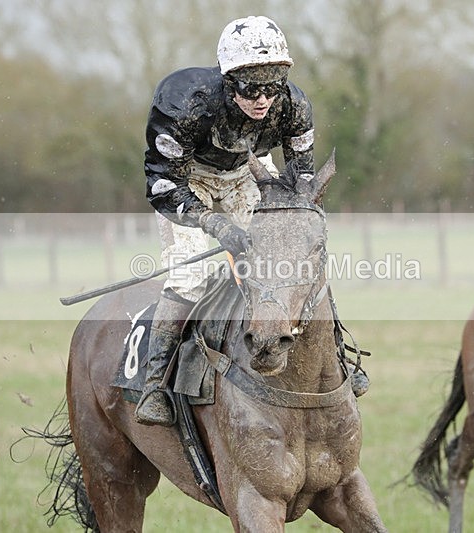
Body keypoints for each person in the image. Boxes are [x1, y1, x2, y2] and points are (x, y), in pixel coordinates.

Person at [135, 15, 316, 426]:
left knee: (289, 261)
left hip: (248, 172)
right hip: (187, 178)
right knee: (192, 275)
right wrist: (214, 224)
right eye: (251, 87)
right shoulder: (185, 101)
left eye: (272, 86)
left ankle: (337, 354)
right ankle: (154, 385)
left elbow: (302, 181)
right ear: (228, 81)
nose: (263, 99)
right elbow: (163, 183)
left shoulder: (294, 105)